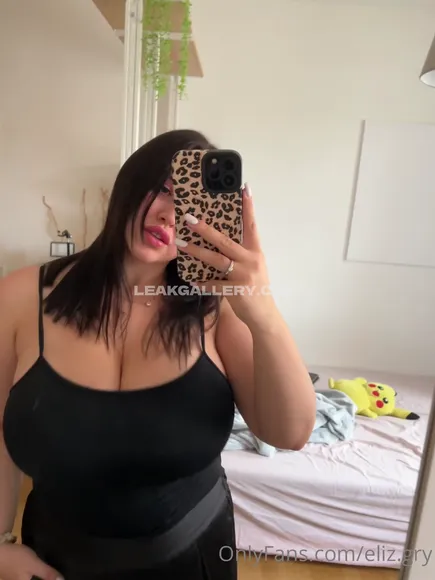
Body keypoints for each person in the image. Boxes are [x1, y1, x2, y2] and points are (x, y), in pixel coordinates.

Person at [0, 129, 316, 579]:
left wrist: (263, 313)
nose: (172, 214)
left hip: (193, 557)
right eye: (166, 189)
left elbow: (290, 433)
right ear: (131, 182)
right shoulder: (20, 297)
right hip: (54, 562)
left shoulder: (218, 309)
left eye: (193, 205)